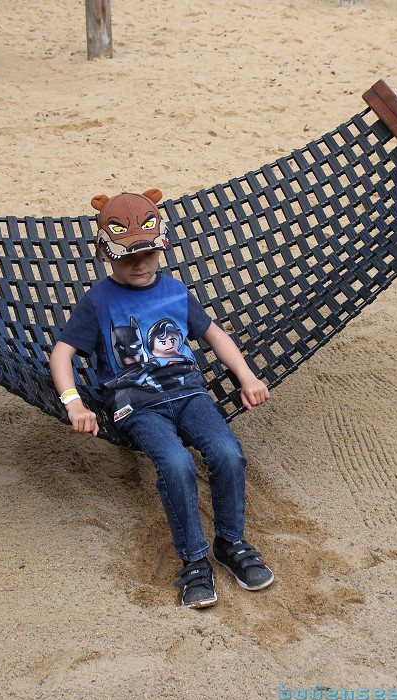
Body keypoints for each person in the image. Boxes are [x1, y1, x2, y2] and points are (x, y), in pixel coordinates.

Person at [49, 189, 275, 610]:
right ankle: (194, 561)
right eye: (127, 257)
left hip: (188, 392)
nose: (140, 264)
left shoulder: (174, 290)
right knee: (175, 463)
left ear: (163, 247)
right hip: (136, 403)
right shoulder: (98, 301)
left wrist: (246, 376)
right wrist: (73, 403)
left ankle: (230, 542)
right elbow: (62, 353)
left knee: (227, 452)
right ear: (104, 254)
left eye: (149, 254)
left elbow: (214, 335)